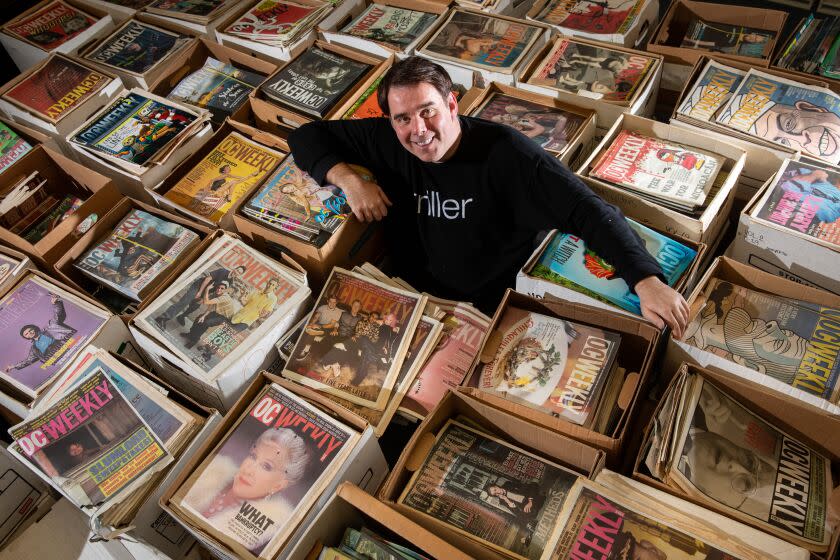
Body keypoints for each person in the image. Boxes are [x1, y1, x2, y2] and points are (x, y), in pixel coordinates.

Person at [288, 57, 689, 334]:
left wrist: (645, 280)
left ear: (451, 103)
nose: (419, 129)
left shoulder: (511, 155)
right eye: (404, 118)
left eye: (428, 111)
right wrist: (349, 180)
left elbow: (588, 210)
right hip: (413, 295)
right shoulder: (390, 139)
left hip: (490, 303)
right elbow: (305, 135)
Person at [182, 428, 310, 554]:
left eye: (266, 466)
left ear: (278, 486)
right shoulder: (209, 473)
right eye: (253, 456)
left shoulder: (265, 540)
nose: (248, 469)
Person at [155, 265, 246, 328]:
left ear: (240, 275)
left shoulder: (230, 282)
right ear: (234, 268)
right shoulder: (222, 271)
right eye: (237, 270)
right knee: (184, 302)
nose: (237, 272)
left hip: (206, 292)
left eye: (239, 272)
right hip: (199, 286)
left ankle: (182, 316)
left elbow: (218, 291)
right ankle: (163, 318)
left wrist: (204, 298)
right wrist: (199, 292)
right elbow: (207, 279)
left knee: (195, 306)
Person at [5, 294, 77, 373]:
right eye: (26, 334)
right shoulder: (34, 349)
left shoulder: (50, 327)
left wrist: (56, 303)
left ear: (34, 329)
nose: (29, 333)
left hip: (73, 348)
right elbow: (28, 361)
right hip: (61, 362)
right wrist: (14, 366)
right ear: (27, 337)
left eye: (30, 330)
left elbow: (59, 315)